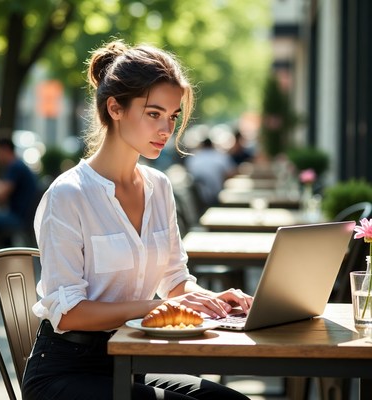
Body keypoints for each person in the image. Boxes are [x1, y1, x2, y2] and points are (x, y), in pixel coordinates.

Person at [21, 40, 253, 400]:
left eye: (173, 116)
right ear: (115, 108)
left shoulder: (159, 186)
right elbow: (68, 315)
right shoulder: (68, 195)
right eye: (153, 113)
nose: (166, 129)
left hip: (130, 363)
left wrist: (212, 300)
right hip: (66, 373)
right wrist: (157, 306)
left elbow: (175, 282)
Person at [185, 137, 237, 207]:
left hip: (198, 199)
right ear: (212, 145)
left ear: (201, 146)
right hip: (218, 196)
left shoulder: (193, 159)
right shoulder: (221, 156)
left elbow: (190, 175)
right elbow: (231, 173)